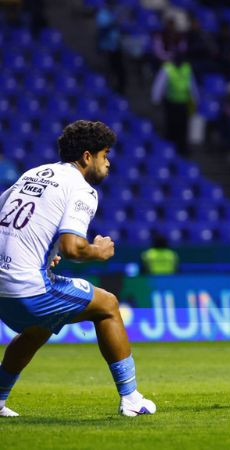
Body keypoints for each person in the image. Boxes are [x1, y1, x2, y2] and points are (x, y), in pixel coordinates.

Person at [0, 120, 156, 417]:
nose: (108, 163)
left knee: (38, 329)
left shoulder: (33, 174)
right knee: (108, 304)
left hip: (3, 288)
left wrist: (44, 253)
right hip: (26, 288)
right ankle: (132, 398)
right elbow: (73, 247)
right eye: (105, 155)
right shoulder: (82, 188)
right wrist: (98, 250)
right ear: (88, 156)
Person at [151, 52, 199, 155]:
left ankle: (183, 150)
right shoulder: (167, 68)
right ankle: (170, 150)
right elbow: (159, 85)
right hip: (171, 103)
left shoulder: (187, 68)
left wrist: (195, 99)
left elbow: (192, 85)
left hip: (183, 103)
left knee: (183, 127)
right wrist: (156, 99)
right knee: (171, 127)